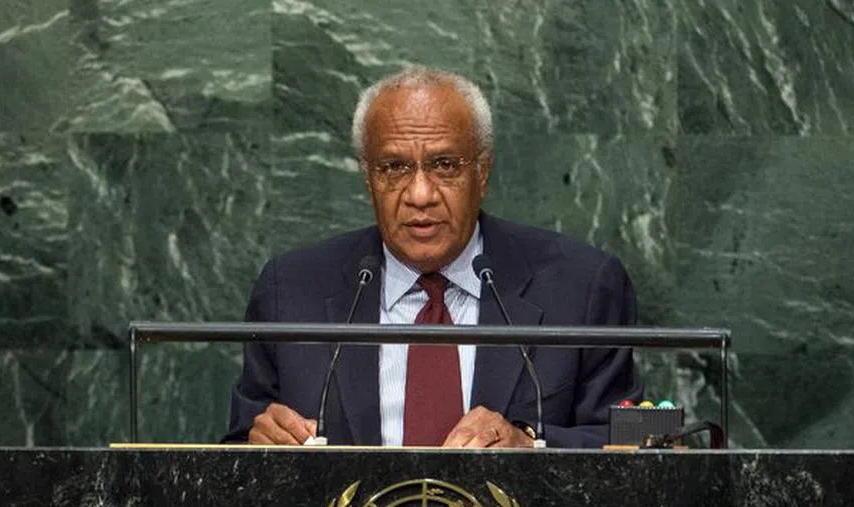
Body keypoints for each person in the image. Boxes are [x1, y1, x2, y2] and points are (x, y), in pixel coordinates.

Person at [224, 67, 642, 448]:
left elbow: (630, 444)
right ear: (368, 179)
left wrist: (530, 445)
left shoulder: (580, 287)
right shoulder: (292, 292)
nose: (420, 195)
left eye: (444, 165)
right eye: (394, 167)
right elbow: (235, 453)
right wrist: (260, 443)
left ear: (482, 173)